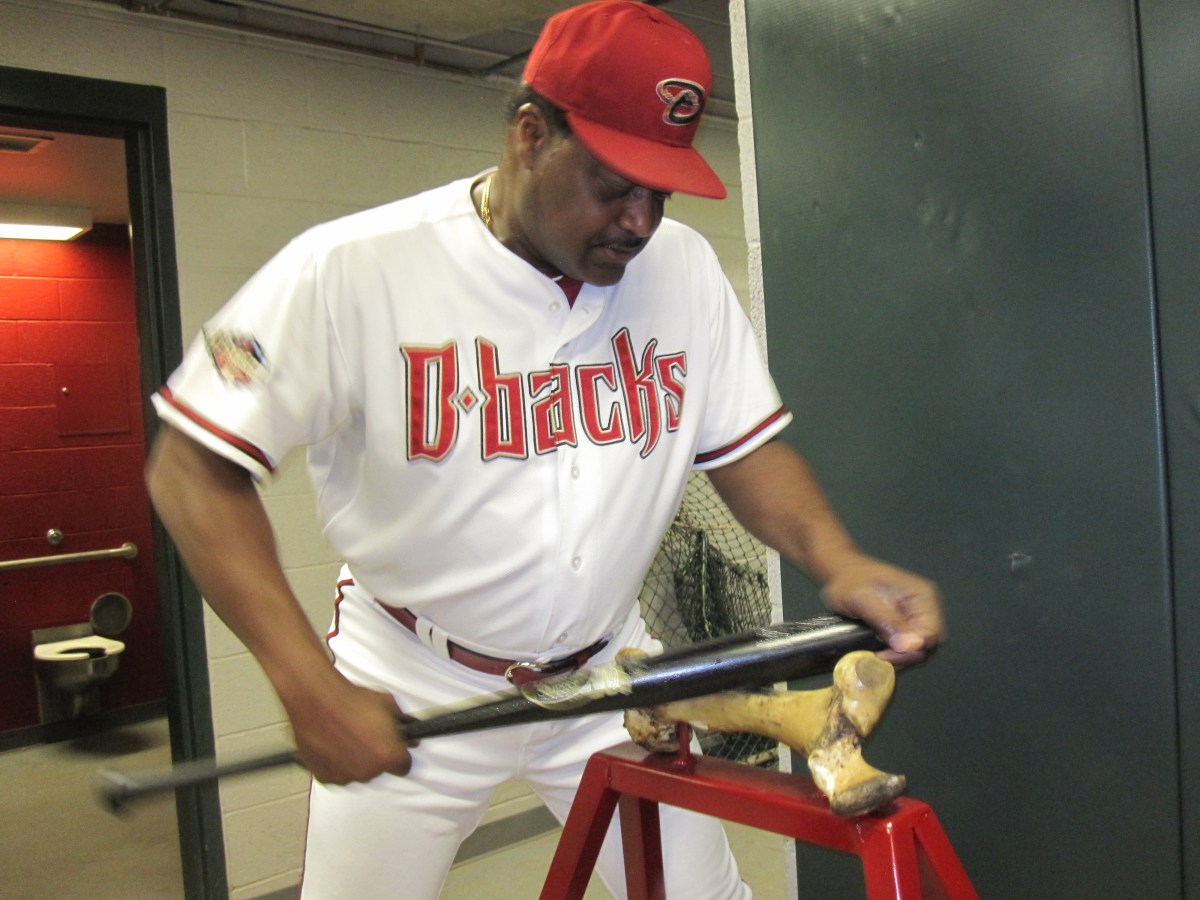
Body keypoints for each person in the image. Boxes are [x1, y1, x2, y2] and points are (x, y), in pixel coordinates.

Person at [146, 1, 945, 897]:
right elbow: (191, 468)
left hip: (612, 680)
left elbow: (743, 447)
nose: (641, 221)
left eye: (662, 190)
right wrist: (302, 681)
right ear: (531, 135)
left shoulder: (679, 271)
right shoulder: (351, 269)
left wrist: (836, 558)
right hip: (413, 678)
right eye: (615, 185)